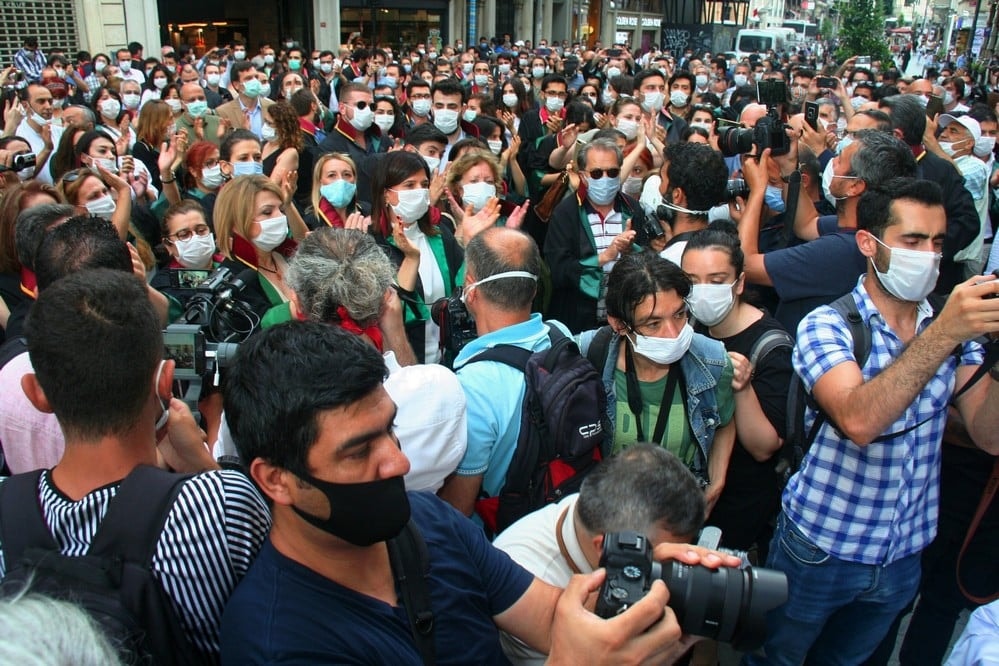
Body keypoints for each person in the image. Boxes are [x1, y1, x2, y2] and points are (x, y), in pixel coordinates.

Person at [219, 319, 717, 664]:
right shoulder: (277, 645)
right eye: (357, 452)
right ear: (275, 479)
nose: (399, 461)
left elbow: (551, 618)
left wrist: (665, 592)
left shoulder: (424, 519)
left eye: (391, 430)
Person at [745, 178, 999, 665]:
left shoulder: (950, 328)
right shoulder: (829, 324)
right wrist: (942, 334)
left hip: (903, 552)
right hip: (822, 546)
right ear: (869, 243)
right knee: (777, 657)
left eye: (938, 243)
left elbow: (988, 435)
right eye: (912, 241)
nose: (928, 255)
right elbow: (859, 420)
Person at [0, 267, 269, 661]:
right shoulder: (221, 505)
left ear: (37, 395)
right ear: (165, 381)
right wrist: (201, 461)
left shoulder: (7, 507)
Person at [493, 443, 710, 665]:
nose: (674, 568)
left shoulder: (602, 513)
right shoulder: (525, 581)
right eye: (661, 561)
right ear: (606, 548)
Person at [575, 251, 735, 513]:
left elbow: (725, 421)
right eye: (653, 324)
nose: (672, 333)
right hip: (605, 510)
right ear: (619, 324)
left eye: (680, 314)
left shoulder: (714, 362)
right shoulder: (586, 355)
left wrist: (716, 482)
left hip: (677, 512)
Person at [681, 226, 792, 554]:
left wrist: (741, 387)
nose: (703, 292)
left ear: (739, 283)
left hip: (740, 501)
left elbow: (764, 447)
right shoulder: (691, 326)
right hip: (693, 488)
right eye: (692, 281)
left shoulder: (771, 347)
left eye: (716, 281)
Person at [436, 227, 555, 517]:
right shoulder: (561, 338)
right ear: (534, 288)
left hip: (504, 533)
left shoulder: (474, 384)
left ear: (470, 289)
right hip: (559, 511)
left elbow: (459, 509)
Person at [544, 138, 653, 333]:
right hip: (576, 322)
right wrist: (604, 258)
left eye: (612, 172)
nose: (605, 179)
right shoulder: (566, 212)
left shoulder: (633, 209)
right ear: (583, 176)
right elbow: (558, 271)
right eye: (596, 173)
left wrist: (630, 251)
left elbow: (648, 262)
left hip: (626, 321)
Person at [369, 150, 464, 364]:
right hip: (402, 361)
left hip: (446, 356)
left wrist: (474, 239)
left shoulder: (439, 234)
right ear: (387, 194)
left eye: (424, 184)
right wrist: (411, 259)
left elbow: (462, 283)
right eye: (410, 185)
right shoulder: (371, 243)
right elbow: (390, 311)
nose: (420, 192)